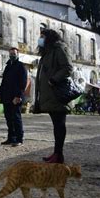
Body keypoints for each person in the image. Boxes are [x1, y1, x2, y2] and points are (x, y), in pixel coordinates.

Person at [34, 29, 73, 164]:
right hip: (50, 96)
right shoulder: (47, 53)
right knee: (56, 126)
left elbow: (68, 68)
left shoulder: (59, 49)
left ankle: (59, 155)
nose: (40, 39)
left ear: (49, 38)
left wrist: (54, 80)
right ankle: (57, 153)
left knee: (59, 125)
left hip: (58, 94)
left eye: (43, 36)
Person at [0, 47, 28, 147]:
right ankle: (11, 138)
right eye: (11, 54)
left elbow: (23, 83)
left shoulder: (21, 66)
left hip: (16, 97)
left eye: (14, 53)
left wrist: (18, 96)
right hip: (6, 96)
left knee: (16, 118)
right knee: (8, 118)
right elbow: (4, 82)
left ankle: (19, 139)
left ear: (17, 54)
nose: (12, 55)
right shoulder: (7, 66)